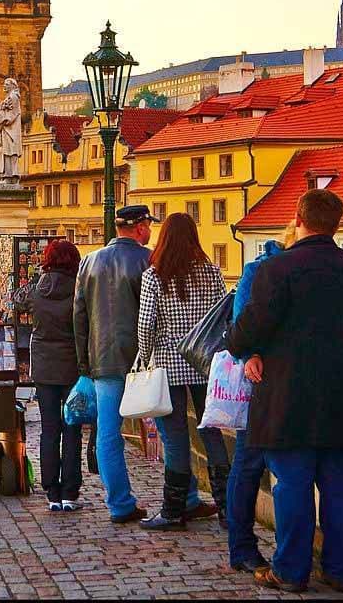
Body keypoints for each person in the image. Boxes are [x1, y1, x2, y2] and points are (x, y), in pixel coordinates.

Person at [228, 189, 343, 593]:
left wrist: (246, 349)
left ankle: (291, 572)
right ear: (337, 224)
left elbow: (248, 329)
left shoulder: (278, 270)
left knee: (292, 484)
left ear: (299, 218)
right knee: (341, 486)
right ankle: (339, 570)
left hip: (289, 396)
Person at [135, 213, 230, 530]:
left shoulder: (155, 276)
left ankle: (173, 512)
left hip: (168, 364)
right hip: (205, 363)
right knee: (212, 433)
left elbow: (146, 325)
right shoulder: (211, 273)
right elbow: (223, 318)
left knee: (175, 440)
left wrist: (144, 358)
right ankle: (229, 510)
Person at [72, 204, 156, 524]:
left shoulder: (89, 262)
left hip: (103, 359)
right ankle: (185, 495)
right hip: (141, 361)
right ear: (139, 228)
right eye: (148, 224)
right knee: (166, 425)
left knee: (108, 434)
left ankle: (120, 504)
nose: (149, 229)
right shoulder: (147, 259)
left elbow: (79, 317)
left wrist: (84, 364)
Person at [223, 222, 294, 573]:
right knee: (249, 464)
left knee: (258, 466)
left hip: (287, 382)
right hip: (258, 383)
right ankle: (241, 546)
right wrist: (248, 354)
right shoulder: (258, 271)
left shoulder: (292, 270)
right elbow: (239, 323)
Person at [30, 239, 84, 513]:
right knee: (72, 429)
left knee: (49, 430)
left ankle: (51, 491)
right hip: (72, 368)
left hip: (43, 368)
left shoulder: (36, 289)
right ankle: (70, 492)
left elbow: (15, 304)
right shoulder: (79, 289)